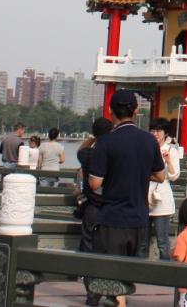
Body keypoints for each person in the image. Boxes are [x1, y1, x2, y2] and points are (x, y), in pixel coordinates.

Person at [87, 90, 167, 260]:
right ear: (136, 110)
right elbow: (160, 176)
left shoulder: (105, 141)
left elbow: (95, 184)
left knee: (108, 271)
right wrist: (138, 172)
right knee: (131, 270)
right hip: (139, 219)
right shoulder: (149, 140)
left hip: (112, 218)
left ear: (110, 110)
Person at [75, 116, 112, 307]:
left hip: (92, 208)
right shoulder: (115, 155)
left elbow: (80, 150)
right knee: (111, 250)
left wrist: (93, 137)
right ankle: (115, 293)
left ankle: (92, 294)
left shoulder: (87, 154)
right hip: (112, 208)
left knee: (89, 248)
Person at [145, 119, 182, 261]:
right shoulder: (145, 148)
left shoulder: (171, 150)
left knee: (162, 242)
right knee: (143, 241)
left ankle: (165, 268)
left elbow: (174, 176)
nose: (155, 134)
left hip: (162, 199)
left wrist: (168, 161)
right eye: (153, 130)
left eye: (159, 131)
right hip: (145, 196)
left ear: (165, 133)